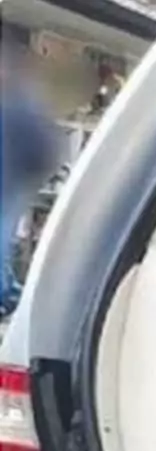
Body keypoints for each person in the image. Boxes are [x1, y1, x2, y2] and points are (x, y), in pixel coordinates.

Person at [0, 42, 58, 315]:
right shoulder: (18, 106)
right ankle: (12, 298)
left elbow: (42, 153)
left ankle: (11, 299)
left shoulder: (19, 106)